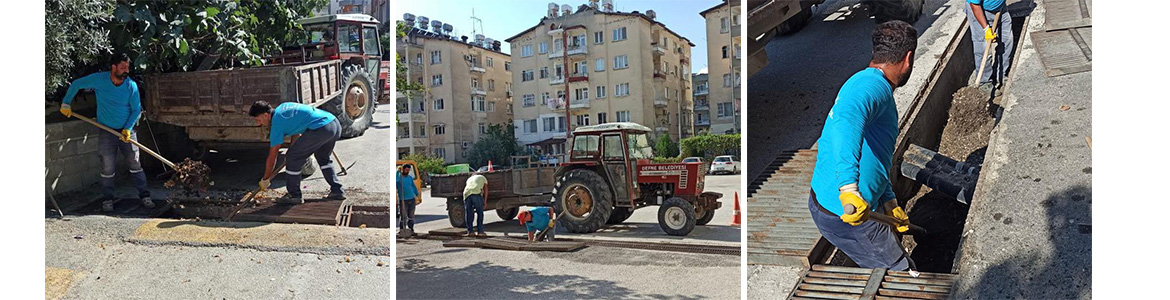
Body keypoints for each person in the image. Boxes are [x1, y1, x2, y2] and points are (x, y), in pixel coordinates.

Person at [807, 21, 918, 270]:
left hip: (835, 204)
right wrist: (849, 187)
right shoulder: (874, 87)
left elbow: (875, 154)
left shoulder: (864, 80)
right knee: (898, 271)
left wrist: (889, 201)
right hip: (849, 215)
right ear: (908, 59)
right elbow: (847, 118)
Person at [59, 53, 153, 212]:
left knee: (135, 163)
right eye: (123, 67)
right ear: (113, 67)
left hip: (126, 132)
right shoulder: (99, 80)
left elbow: (137, 109)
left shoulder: (131, 86)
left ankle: (145, 196)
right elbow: (76, 84)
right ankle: (108, 199)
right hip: (106, 130)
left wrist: (128, 129)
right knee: (107, 167)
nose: (126, 71)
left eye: (127, 67)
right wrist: (66, 103)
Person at [249, 100, 345, 204]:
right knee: (323, 157)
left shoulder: (276, 124)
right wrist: (293, 150)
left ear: (265, 115)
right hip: (333, 123)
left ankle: (294, 195)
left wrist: (265, 179)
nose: (258, 123)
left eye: (258, 120)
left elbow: (273, 156)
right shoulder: (282, 107)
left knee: (292, 158)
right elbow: (297, 130)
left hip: (320, 128)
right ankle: (337, 191)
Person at [966, 0, 1013, 93]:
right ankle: (984, 82)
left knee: (1007, 40)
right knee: (982, 47)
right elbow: (975, 5)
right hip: (978, 10)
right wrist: (986, 29)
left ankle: (1000, 73)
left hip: (1000, 8)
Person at [396, 165, 421, 232]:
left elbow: (413, 187)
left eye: (408, 170)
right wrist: (398, 172)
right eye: (406, 170)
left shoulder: (409, 178)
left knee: (411, 215)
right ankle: (402, 229)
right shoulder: (399, 178)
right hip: (403, 199)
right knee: (403, 216)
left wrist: (417, 195)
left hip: (411, 199)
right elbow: (395, 180)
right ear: (403, 170)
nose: (407, 171)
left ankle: (411, 229)